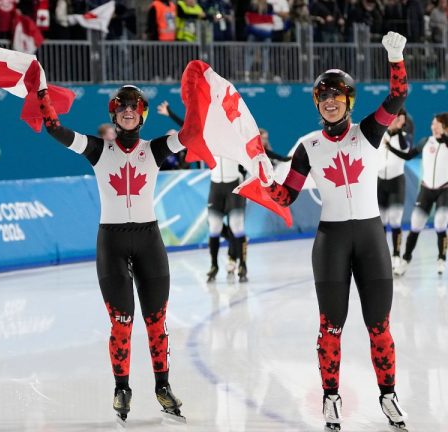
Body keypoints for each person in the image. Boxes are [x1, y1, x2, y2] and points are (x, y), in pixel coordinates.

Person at [263, 32, 409, 431]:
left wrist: (395, 58)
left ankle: (389, 396)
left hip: (370, 238)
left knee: (379, 326)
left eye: (337, 95)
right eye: (323, 96)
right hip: (331, 242)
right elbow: (286, 196)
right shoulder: (308, 146)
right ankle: (330, 397)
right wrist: (261, 176)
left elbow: (398, 96)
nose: (330, 101)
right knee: (331, 326)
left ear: (348, 101)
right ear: (317, 103)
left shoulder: (369, 132)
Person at [36, 84, 186, 423]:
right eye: (122, 108)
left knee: (156, 323)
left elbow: (192, 133)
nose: (128, 112)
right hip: (112, 243)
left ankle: (163, 386)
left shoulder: (156, 149)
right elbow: (56, 130)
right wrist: (43, 98)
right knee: (122, 324)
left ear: (142, 114)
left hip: (149, 240)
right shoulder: (98, 149)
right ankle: (122, 388)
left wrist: (201, 98)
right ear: (113, 115)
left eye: (134, 107)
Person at [157, 100, 253, 282]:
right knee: (215, 228)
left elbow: (258, 149)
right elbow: (187, 128)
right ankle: (214, 265)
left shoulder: (238, 137)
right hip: (216, 186)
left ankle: (242, 265)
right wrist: (169, 113)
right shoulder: (208, 136)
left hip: (234, 186)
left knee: (236, 227)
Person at [395, 112, 448, 276]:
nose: (433, 127)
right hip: (426, 189)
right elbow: (408, 155)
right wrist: (390, 148)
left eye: (436, 125)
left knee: (440, 224)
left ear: (444, 127)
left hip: (444, 190)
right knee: (415, 226)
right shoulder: (426, 142)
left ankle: (441, 258)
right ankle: (405, 259)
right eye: (432, 124)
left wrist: (444, 136)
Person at [375, 109, 411, 271]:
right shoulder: (380, 134)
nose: (397, 122)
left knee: (395, 221)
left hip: (396, 182)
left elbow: (405, 149)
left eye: (400, 120)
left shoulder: (404, 137)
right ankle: (381, 256)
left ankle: (396, 255)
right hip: (381, 182)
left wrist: (398, 131)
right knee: (381, 221)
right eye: (395, 119)